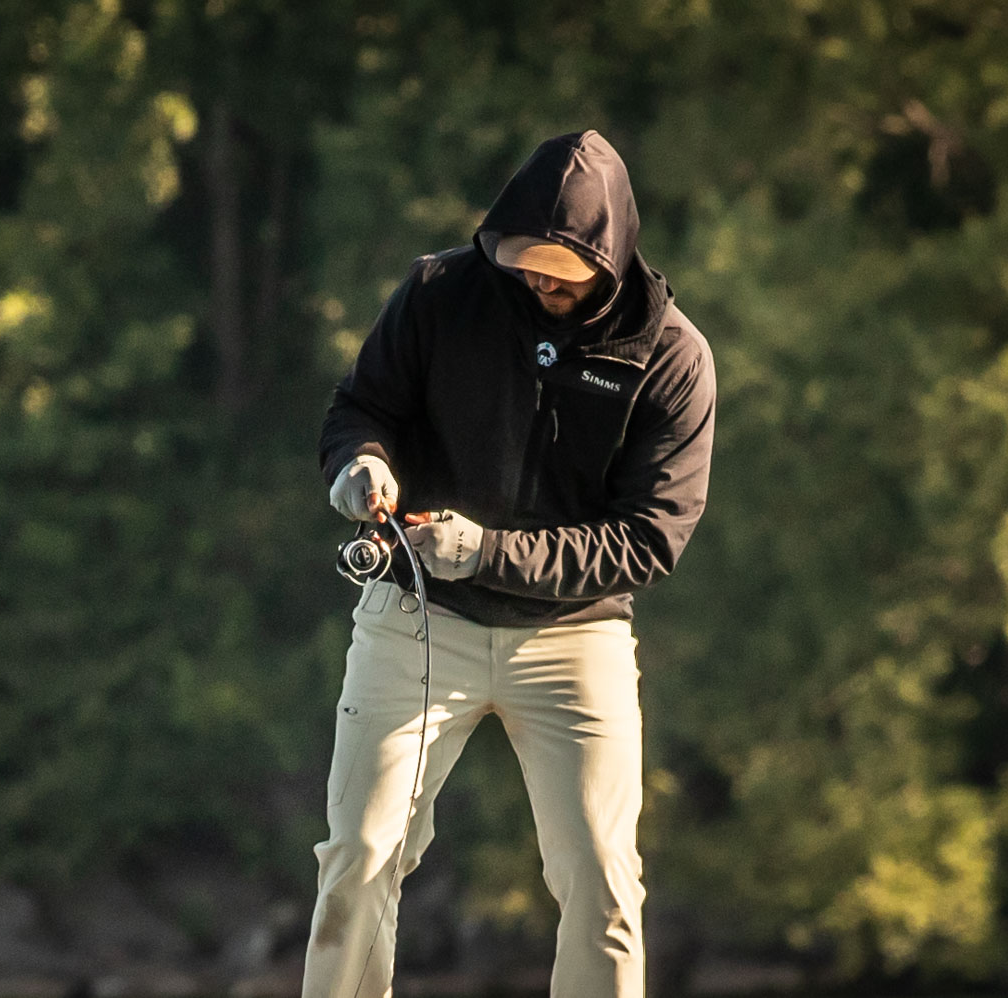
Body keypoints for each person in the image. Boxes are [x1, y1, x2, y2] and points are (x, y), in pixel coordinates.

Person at [304, 130, 716, 998]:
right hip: (418, 616)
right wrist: (359, 464)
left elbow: (650, 539)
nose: (541, 284)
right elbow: (360, 407)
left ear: (610, 258)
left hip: (574, 638)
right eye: (525, 265)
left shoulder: (673, 357)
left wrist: (485, 552)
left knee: (603, 881)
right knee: (360, 857)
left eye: (562, 274)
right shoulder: (439, 293)